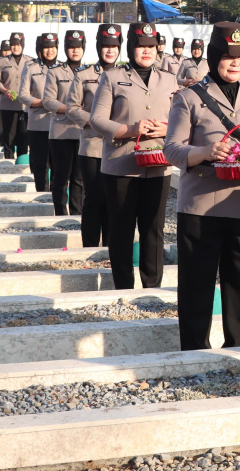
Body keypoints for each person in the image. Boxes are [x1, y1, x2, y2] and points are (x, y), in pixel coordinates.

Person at [164, 21, 240, 351]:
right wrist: (205, 152)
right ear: (214, 57)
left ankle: (237, 348)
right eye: (228, 56)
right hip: (202, 205)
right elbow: (171, 148)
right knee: (197, 284)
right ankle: (196, 353)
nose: (235, 63)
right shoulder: (189, 98)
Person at [90, 22, 178, 290]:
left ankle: (152, 288)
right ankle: (124, 286)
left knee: (154, 229)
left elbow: (180, 118)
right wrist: (130, 129)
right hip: (121, 166)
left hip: (158, 165)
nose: (147, 52)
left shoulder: (169, 79)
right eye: (141, 46)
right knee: (122, 230)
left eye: (151, 47)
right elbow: (96, 120)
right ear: (131, 49)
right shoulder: (112, 77)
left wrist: (167, 128)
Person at [66, 24, 121, 247]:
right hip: (93, 146)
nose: (110, 51)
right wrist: (96, 121)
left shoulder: (125, 75)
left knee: (113, 200)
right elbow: (71, 108)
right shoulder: (84, 75)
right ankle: (89, 246)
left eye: (114, 47)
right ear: (99, 48)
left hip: (118, 146)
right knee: (94, 197)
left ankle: (109, 247)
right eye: (106, 46)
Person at [43, 30, 88, 215]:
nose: (75, 51)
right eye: (71, 47)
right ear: (66, 49)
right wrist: (72, 109)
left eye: (78, 47)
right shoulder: (55, 72)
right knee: (61, 175)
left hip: (81, 130)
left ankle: (77, 214)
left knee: (79, 177)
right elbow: (48, 100)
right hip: (60, 131)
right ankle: (60, 212)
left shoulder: (89, 72)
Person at [18, 35, 53, 191]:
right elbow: (23, 95)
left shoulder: (62, 68)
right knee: (40, 163)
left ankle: (56, 195)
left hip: (59, 124)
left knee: (58, 164)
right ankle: (42, 194)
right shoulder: (31, 67)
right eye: (46, 48)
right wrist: (43, 102)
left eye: (53, 47)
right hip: (38, 123)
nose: (50, 51)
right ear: (40, 50)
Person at [0, 32, 32, 160]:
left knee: (23, 135)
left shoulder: (30, 61)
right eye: (13, 45)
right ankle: (8, 159)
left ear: (23, 45)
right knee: (9, 134)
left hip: (24, 105)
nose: (16, 47)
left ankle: (22, 159)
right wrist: (4, 91)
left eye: (18, 45)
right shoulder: (2, 62)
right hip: (7, 104)